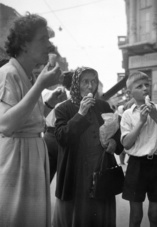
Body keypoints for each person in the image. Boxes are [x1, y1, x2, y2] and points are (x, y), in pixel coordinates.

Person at [0, 13, 62, 227]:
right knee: (17, 216)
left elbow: (28, 122)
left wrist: (48, 104)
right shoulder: (8, 74)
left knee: (30, 217)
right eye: (43, 39)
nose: (49, 45)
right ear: (25, 44)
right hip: (16, 157)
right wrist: (39, 88)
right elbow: (6, 125)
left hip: (31, 153)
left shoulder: (28, 76)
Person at [53, 67, 123, 227]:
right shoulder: (64, 108)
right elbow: (62, 138)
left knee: (101, 214)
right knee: (80, 216)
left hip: (101, 168)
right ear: (76, 84)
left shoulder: (103, 106)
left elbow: (117, 134)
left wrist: (113, 142)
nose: (90, 86)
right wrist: (81, 113)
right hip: (76, 171)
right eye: (85, 82)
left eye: (93, 82)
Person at [120, 71, 157, 227]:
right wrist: (142, 121)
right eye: (139, 86)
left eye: (147, 85)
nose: (145, 88)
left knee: (154, 214)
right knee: (136, 215)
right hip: (136, 165)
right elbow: (127, 144)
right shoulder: (127, 114)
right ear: (129, 92)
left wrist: (156, 117)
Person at [43, 71, 72, 182]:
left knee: (45, 176)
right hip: (64, 137)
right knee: (64, 181)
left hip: (48, 136)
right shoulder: (71, 96)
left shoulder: (44, 93)